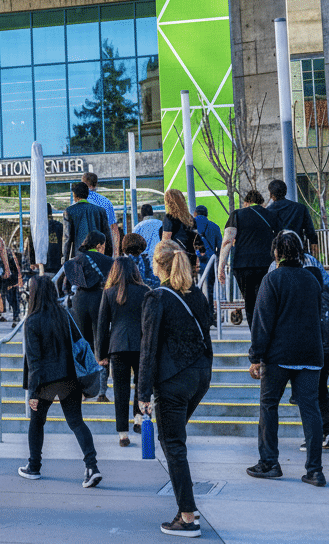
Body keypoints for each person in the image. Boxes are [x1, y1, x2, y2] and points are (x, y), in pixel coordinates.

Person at [139, 240, 213, 538]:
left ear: (159, 265)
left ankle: (187, 517)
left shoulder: (157, 297)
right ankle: (187, 507)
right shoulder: (197, 295)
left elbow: (148, 348)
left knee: (172, 445)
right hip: (199, 376)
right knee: (174, 441)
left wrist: (142, 393)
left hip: (172, 380)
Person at [246, 231, 328, 487]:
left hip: (279, 356)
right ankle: (315, 471)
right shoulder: (312, 279)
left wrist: (255, 356)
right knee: (311, 409)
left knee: (269, 405)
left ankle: (269, 463)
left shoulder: (272, 279)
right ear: (300, 253)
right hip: (311, 354)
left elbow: (262, 322)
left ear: (276, 253)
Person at [268, 250, 329, 450]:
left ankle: (315, 438)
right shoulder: (327, 290)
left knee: (308, 395)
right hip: (327, 349)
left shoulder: (300, 292)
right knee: (320, 389)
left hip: (306, 349)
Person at [18, 274, 102, 487]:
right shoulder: (65, 314)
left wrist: (33, 393)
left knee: (37, 423)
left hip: (45, 382)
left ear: (34, 295)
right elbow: (78, 344)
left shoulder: (32, 321)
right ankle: (92, 466)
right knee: (76, 422)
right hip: (70, 378)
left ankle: (34, 466)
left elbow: (34, 362)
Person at [96, 256, 149, 444]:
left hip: (117, 346)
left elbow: (102, 326)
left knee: (120, 391)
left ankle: (122, 434)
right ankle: (138, 417)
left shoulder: (109, 293)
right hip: (141, 345)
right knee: (141, 384)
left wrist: (101, 354)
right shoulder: (145, 291)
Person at [64, 231, 113, 398]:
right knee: (102, 341)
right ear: (99, 245)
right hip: (100, 299)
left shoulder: (74, 261)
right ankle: (102, 390)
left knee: (83, 343)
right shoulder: (109, 261)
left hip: (79, 301)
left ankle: (84, 388)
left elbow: (66, 285)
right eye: (104, 246)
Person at [218, 190, 277, 325]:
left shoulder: (237, 214)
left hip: (243, 265)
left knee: (249, 302)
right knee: (265, 301)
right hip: (266, 264)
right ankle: (266, 330)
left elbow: (227, 242)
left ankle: (254, 333)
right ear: (261, 202)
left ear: (246, 202)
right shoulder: (271, 215)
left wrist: (221, 266)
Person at [63, 181, 114, 264]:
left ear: (74, 195)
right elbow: (107, 236)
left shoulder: (69, 211)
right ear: (87, 194)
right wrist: (108, 257)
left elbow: (67, 238)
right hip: (98, 256)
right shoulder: (100, 211)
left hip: (78, 258)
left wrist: (65, 260)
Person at [264, 179, 317, 251]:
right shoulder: (300, 208)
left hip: (278, 249)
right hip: (297, 248)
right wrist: (313, 241)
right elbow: (309, 228)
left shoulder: (267, 211)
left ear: (271, 194)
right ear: (285, 192)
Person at [82, 171, 123, 254]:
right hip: (103, 248)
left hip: (83, 248)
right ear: (96, 184)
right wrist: (116, 252)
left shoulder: (77, 203)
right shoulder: (106, 202)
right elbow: (114, 228)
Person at [160, 189, 200, 258]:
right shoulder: (190, 218)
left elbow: (165, 242)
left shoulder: (169, 218)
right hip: (192, 256)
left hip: (178, 257)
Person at [193, 205, 222, 300]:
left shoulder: (189, 226)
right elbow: (220, 247)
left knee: (193, 287)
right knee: (209, 289)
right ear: (207, 214)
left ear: (195, 213)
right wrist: (218, 261)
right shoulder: (215, 227)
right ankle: (209, 308)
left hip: (193, 261)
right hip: (210, 261)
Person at [0, 234, 24, 327]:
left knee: (12, 297)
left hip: (11, 276)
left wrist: (19, 276)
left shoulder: (8, 252)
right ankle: (14, 314)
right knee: (9, 297)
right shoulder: (0, 253)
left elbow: (16, 264)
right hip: (5, 277)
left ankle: (16, 315)